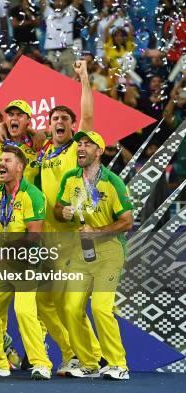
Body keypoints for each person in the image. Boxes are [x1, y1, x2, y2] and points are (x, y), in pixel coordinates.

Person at [37, 60, 103, 375]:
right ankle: (74, 352)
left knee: (68, 304)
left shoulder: (77, 149)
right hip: (47, 239)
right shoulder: (44, 153)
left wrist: (84, 78)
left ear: (73, 127)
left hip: (72, 237)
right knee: (43, 304)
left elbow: (88, 114)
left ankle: (87, 355)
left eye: (65, 118)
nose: (59, 121)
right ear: (48, 126)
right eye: (54, 118)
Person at [0, 145, 52, 380]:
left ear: (20, 167)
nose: (1, 164)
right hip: (1, 265)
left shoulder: (32, 195)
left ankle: (41, 363)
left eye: (7, 160)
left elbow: (34, 236)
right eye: (0, 160)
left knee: (24, 311)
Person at [54, 131, 133, 381]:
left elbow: (127, 221)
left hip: (110, 252)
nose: (81, 147)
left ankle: (118, 364)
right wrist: (62, 212)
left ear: (99, 151)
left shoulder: (113, 182)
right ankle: (88, 363)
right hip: (80, 252)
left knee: (100, 308)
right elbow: (57, 208)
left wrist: (97, 232)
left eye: (88, 144)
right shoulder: (70, 178)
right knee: (71, 308)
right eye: (79, 143)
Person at [0, 100, 40, 185]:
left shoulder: (36, 147)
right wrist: (1, 125)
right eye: (10, 115)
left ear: (28, 120)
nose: (14, 118)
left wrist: (38, 133)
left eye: (19, 115)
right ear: (6, 119)